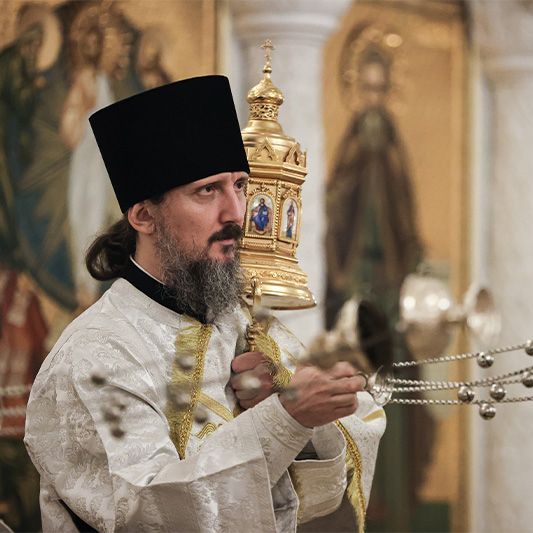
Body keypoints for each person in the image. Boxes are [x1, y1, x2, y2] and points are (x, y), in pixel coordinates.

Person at [23, 76, 385, 532]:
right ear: (144, 216)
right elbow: (148, 510)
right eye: (207, 190)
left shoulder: (243, 323)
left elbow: (322, 494)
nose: (237, 212)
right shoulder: (97, 353)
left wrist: (290, 407)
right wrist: (283, 419)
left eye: (240, 185)